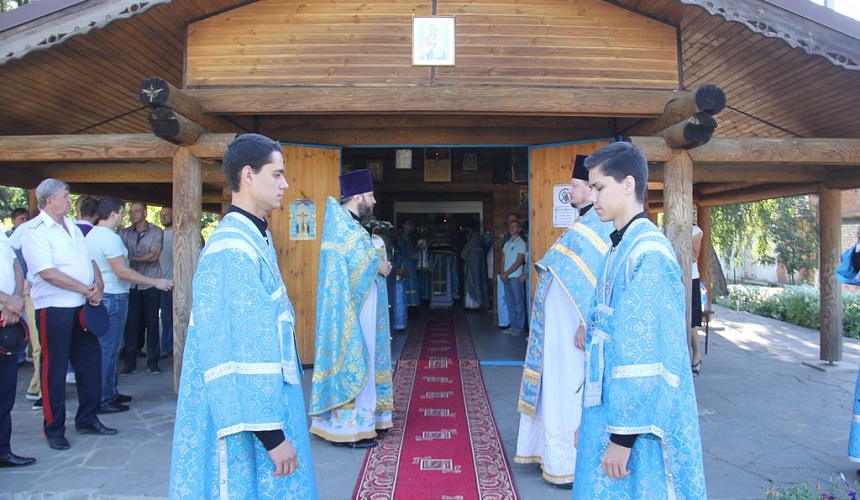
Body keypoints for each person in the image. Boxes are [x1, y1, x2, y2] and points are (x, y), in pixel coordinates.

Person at [170, 133, 318, 498]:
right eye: (277, 174)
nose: (285, 184)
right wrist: (273, 437)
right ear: (248, 175)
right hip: (246, 422)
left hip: (264, 407)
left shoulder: (253, 236)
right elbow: (238, 346)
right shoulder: (231, 250)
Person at [573, 142, 706, 498]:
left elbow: (646, 350)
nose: (592, 196)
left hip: (638, 425)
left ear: (628, 184)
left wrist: (622, 438)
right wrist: (589, 419)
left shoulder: (649, 253)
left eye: (599, 187)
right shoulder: (620, 246)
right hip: (609, 410)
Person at [514, 155, 613, 487]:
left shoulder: (600, 227)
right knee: (553, 389)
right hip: (556, 333)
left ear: (590, 189)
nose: (569, 190)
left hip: (574, 333)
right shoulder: (581, 224)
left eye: (574, 185)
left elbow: (602, 281)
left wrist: (587, 322)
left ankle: (569, 462)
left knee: (569, 391)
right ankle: (549, 454)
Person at [22, 178, 115, 452]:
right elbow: (48, 273)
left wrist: (98, 284)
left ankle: (88, 418)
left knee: (90, 363)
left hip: (82, 306)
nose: (69, 200)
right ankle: (54, 429)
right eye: (65, 196)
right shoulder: (35, 231)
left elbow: (89, 260)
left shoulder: (72, 227)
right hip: (54, 307)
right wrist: (85, 289)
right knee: (55, 368)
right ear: (50, 200)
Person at [309, 169, 394, 449]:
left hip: (362, 305)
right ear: (357, 196)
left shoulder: (350, 225)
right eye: (370, 195)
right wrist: (377, 264)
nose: (374, 201)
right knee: (357, 357)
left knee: (366, 356)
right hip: (352, 310)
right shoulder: (342, 225)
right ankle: (350, 429)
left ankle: (366, 421)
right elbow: (357, 261)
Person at [85, 197, 173, 414]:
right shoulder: (111, 238)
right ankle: (104, 398)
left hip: (105, 294)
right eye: (123, 212)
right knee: (109, 349)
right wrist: (155, 282)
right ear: (113, 214)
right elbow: (122, 271)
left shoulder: (92, 235)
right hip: (114, 296)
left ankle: (110, 391)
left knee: (109, 348)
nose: (125, 216)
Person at [0, 237, 36, 467]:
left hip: (7, 320)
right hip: (6, 309)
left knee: (5, 393)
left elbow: (16, 266)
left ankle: (3, 450)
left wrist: (15, 300)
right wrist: (7, 300)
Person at [5, 211, 44, 409]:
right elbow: (14, 256)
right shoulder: (26, 230)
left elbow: (14, 262)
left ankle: (38, 385)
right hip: (31, 295)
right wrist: (20, 289)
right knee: (38, 344)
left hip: (50, 295)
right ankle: (41, 389)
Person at [119, 201, 163, 375]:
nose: (133, 214)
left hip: (151, 283)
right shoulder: (124, 232)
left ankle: (153, 362)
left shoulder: (156, 231)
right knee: (131, 324)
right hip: (131, 284)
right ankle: (130, 363)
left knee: (152, 323)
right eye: (131, 211)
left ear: (145, 213)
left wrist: (130, 260)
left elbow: (154, 255)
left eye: (137, 211)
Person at [500, 219, 526, 335]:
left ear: (519, 229)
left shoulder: (521, 243)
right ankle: (513, 325)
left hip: (515, 276)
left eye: (514, 226)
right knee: (510, 302)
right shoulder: (507, 243)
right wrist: (503, 274)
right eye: (510, 226)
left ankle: (519, 327)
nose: (511, 228)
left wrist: (506, 274)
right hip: (506, 277)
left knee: (518, 303)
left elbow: (519, 262)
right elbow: (502, 260)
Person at [157, 207, 174, 358]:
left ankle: (171, 347)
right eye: (162, 215)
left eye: (167, 214)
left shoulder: (181, 234)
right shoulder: (158, 235)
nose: (164, 217)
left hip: (174, 283)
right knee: (165, 318)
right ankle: (166, 346)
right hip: (158, 283)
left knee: (172, 317)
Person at [461, 220, 488, 310]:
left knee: (472, 281)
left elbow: (465, 250)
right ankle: (474, 303)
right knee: (476, 281)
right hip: (476, 262)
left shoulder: (475, 237)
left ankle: (474, 304)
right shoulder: (477, 237)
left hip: (473, 262)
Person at [691, 222, 704, 375]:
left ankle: (696, 356)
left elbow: (694, 256)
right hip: (673, 276)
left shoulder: (696, 230)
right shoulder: (665, 229)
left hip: (691, 278)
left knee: (691, 322)